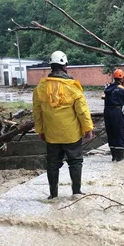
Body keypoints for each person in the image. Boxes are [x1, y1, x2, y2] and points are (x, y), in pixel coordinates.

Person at [33, 50, 94, 199]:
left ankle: (53, 195)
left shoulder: (40, 88)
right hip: (71, 135)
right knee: (75, 162)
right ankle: (76, 193)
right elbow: (82, 111)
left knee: (52, 164)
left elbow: (37, 112)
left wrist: (40, 130)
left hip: (51, 135)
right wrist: (88, 128)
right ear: (65, 65)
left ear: (51, 66)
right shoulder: (72, 87)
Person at [103, 69, 124, 162]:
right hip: (116, 111)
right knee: (119, 132)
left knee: (110, 132)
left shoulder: (107, 89)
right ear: (122, 78)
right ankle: (120, 157)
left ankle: (114, 156)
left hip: (107, 111)